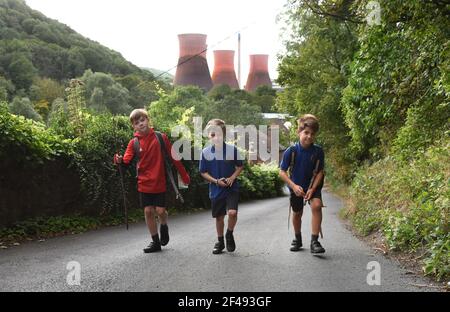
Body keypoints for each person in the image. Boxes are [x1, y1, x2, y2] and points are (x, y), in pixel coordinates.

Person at [114, 109, 190, 253]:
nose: (140, 124)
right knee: (148, 211)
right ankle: (155, 242)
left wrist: (184, 175)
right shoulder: (133, 143)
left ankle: (164, 225)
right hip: (143, 183)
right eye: (137, 123)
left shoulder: (161, 137)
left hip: (159, 181)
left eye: (142, 120)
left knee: (160, 211)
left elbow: (174, 157)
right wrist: (118, 160)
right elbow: (125, 162)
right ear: (133, 126)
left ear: (148, 120)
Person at [279, 114, 326, 254]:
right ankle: (297, 239)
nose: (309, 136)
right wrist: (293, 186)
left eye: (312, 134)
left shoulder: (318, 151)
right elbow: (282, 172)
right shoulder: (291, 151)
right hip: (296, 187)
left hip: (312, 185)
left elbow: (320, 172)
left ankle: (314, 241)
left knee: (317, 206)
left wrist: (312, 188)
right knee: (297, 213)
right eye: (306, 133)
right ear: (299, 132)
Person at [199, 119, 244, 254]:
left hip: (231, 188)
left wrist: (232, 177)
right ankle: (220, 241)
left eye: (218, 134)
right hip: (216, 188)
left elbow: (240, 166)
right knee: (219, 217)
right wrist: (216, 181)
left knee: (232, 212)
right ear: (209, 136)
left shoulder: (232, 150)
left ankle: (229, 234)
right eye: (213, 135)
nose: (216, 137)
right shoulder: (205, 152)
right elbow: (203, 172)